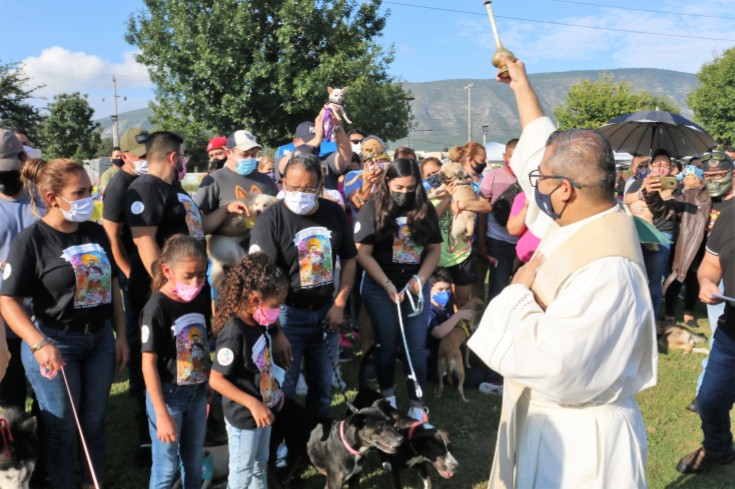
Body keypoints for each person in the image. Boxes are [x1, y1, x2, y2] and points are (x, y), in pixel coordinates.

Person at [468, 54, 656, 488]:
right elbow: (541, 144)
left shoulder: (608, 270)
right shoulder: (584, 213)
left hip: (581, 446)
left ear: (565, 189)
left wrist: (516, 295)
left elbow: (560, 366)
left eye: (542, 179)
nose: (535, 186)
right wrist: (520, 84)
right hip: (550, 425)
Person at [0, 158, 129, 489]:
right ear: (51, 197)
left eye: (90, 189)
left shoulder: (96, 231)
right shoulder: (30, 241)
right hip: (55, 342)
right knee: (62, 428)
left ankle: (92, 483)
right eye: (80, 191)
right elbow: (7, 300)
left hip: (99, 340)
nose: (89, 196)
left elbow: (112, 284)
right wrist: (39, 343)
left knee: (95, 422)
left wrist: (121, 334)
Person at [249, 152, 356, 419]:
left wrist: (339, 303)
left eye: (308, 188)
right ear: (283, 184)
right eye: (294, 187)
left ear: (320, 187)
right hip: (286, 316)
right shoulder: (271, 219)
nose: (300, 193)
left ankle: (316, 437)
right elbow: (262, 280)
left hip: (324, 312)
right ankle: (283, 448)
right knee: (283, 387)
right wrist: (275, 331)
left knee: (322, 387)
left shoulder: (333, 213)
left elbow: (350, 259)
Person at [354, 158, 442, 422]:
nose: (405, 193)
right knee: (387, 344)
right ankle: (388, 398)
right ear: (388, 182)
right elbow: (363, 253)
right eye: (400, 187)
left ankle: (417, 402)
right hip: (381, 287)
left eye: (411, 187)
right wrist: (387, 284)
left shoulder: (424, 209)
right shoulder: (372, 209)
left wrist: (421, 279)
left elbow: (434, 248)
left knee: (415, 345)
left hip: (415, 286)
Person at [209, 253, 288, 488]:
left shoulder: (258, 322)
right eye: (275, 306)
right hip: (245, 417)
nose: (277, 311)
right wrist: (253, 404)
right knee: (242, 473)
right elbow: (216, 379)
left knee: (259, 464)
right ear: (255, 300)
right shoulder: (234, 332)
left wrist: (274, 392)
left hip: (263, 409)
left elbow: (260, 365)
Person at [140, 234, 211, 489]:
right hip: (168, 398)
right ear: (167, 271)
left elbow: (203, 342)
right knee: (166, 468)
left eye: (201, 275)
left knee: (194, 462)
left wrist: (207, 383)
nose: (196, 282)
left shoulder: (201, 297)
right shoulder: (156, 308)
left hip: (197, 392)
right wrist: (161, 413)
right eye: (188, 276)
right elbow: (148, 364)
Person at [101, 127, 151, 456]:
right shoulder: (119, 185)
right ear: (126, 156)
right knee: (138, 342)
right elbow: (111, 235)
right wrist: (128, 273)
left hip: (154, 274)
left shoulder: (150, 179)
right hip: (135, 277)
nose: (147, 160)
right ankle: (143, 425)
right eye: (141, 155)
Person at [676, 203, 735, 474]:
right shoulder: (730, 213)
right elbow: (711, 263)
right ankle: (717, 448)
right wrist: (708, 282)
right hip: (730, 333)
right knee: (710, 401)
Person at [194, 130, 276, 249]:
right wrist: (224, 229)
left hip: (264, 254)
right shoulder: (214, 180)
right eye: (244, 154)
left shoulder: (266, 181)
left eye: (253, 154)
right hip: (229, 257)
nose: (249, 158)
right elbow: (198, 225)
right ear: (229, 153)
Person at [625, 149, 679, 320]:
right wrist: (644, 191)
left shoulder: (675, 185)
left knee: (654, 280)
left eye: (665, 165)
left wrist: (665, 194)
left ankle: (652, 319)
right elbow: (626, 199)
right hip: (639, 232)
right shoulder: (640, 182)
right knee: (634, 276)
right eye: (658, 164)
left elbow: (675, 208)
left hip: (662, 235)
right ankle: (634, 316)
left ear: (670, 168)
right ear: (650, 165)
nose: (661, 168)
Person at [0, 130, 33, 397]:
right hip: (5, 324)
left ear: (24, 158)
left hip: (45, 319)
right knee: (12, 401)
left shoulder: (45, 199)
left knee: (50, 404)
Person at [478, 139, 520, 301]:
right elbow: (482, 211)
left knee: (519, 289)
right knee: (498, 288)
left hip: (521, 244)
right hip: (498, 242)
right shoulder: (492, 176)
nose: (514, 162)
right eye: (511, 157)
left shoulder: (529, 178)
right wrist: (482, 243)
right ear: (505, 156)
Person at [276, 112, 353, 191]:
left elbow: (346, 157)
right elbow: (288, 162)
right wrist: (317, 139)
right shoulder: (283, 159)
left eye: (318, 142)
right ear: (295, 142)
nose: (316, 145)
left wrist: (337, 126)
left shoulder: (327, 161)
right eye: (309, 141)